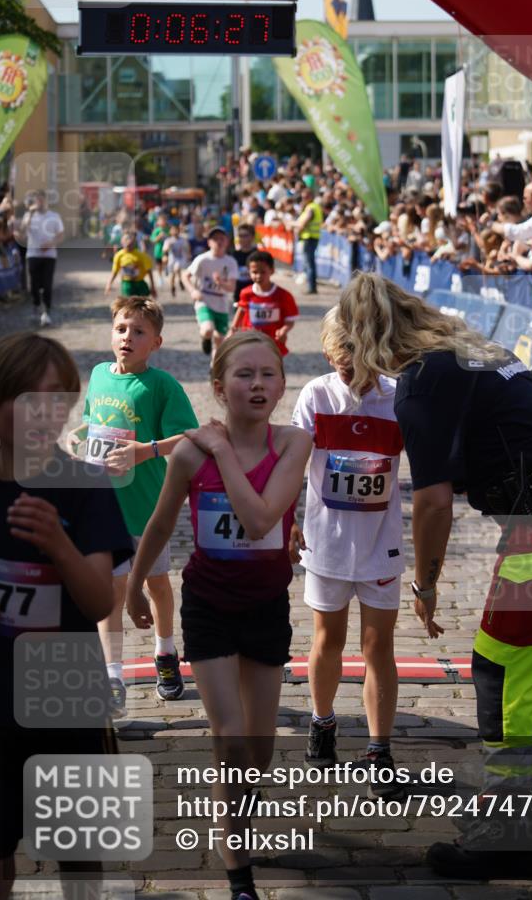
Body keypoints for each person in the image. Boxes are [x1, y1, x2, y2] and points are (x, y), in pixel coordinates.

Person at [335, 273, 532, 880]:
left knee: (503, 664)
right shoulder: (470, 348)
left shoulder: (420, 381)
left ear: (366, 339)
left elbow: (433, 503)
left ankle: (509, 832)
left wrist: (425, 584)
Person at [126, 332, 312, 900]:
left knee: (258, 750)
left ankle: (237, 815)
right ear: (218, 387)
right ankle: (237, 865)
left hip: (265, 606)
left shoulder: (294, 443)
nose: (257, 385)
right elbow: (161, 523)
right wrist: (134, 585)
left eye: (268, 374)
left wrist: (224, 451)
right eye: (244, 374)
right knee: (229, 739)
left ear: (281, 385)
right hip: (207, 603)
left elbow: (259, 521)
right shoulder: (188, 454)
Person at [0, 333, 132, 900]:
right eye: (28, 397)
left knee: (78, 850)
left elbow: (99, 603)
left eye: (57, 398)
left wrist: (58, 545)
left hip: (65, 693)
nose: (44, 412)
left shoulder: (84, 486)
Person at [291, 309, 405, 796]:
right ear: (326, 353)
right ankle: (322, 721)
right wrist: (286, 517)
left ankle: (380, 748)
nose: (350, 369)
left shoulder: (398, 399)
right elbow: (291, 462)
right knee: (328, 640)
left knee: (379, 647)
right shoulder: (315, 395)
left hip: (381, 544)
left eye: (357, 358)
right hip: (327, 543)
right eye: (340, 360)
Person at [67, 297, 198, 714]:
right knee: (112, 590)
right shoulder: (98, 374)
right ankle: (112, 676)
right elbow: (96, 420)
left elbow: (188, 437)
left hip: (146, 508)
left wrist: (146, 451)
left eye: (139, 331)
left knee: (156, 584)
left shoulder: (162, 386)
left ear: (156, 343)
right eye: (121, 328)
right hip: (104, 506)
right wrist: (79, 434)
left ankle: (165, 651)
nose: (127, 337)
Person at [230, 250, 299, 356]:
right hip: (250, 340)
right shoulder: (246, 293)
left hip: (273, 343)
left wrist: (284, 330)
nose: (258, 276)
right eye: (254, 272)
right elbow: (241, 310)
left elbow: (290, 320)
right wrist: (233, 328)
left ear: (272, 270)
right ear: (249, 272)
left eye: (263, 272)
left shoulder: (283, 295)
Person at [183, 226, 239, 358]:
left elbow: (232, 288)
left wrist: (221, 283)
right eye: (215, 239)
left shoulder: (231, 262)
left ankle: (214, 366)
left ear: (227, 242)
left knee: (220, 342)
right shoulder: (202, 259)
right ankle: (206, 338)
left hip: (221, 304)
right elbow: (185, 275)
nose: (218, 241)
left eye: (222, 239)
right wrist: (193, 291)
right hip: (204, 300)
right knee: (207, 329)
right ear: (209, 242)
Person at [18, 190, 64, 326]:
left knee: (47, 284)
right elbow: (22, 233)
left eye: (42, 200)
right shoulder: (28, 215)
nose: (40, 202)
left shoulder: (54, 216)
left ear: (46, 201)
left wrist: (51, 243)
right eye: (37, 200)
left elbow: (60, 235)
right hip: (33, 254)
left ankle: (47, 312)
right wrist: (29, 215)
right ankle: (36, 305)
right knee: (34, 284)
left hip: (49, 255)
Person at [105, 229, 156, 298]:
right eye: (125, 240)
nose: (128, 242)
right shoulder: (119, 255)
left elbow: (149, 271)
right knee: (128, 302)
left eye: (130, 239)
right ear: (121, 242)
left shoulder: (141, 255)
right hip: (127, 284)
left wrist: (152, 286)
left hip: (140, 283)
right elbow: (114, 271)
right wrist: (109, 284)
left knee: (142, 302)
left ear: (134, 242)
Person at [293, 187, 323, 294]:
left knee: (309, 264)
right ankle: (311, 287)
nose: (303, 199)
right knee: (310, 263)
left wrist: (293, 225)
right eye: (302, 197)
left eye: (305, 197)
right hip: (312, 237)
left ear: (310, 197)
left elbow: (303, 223)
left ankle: (312, 288)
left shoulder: (311, 208)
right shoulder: (313, 207)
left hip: (309, 238)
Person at [163, 225, 191, 298]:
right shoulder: (168, 240)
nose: (175, 232)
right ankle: (173, 286)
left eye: (176, 230)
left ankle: (180, 281)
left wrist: (188, 254)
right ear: (170, 232)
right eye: (173, 230)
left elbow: (187, 247)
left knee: (176, 268)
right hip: (172, 260)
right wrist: (165, 254)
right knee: (172, 275)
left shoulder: (183, 240)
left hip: (180, 259)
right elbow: (165, 250)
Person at [231, 222, 256, 302]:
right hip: (238, 295)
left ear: (252, 237)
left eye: (245, 236)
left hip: (254, 295)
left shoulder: (257, 255)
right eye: (240, 236)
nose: (242, 239)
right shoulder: (234, 255)